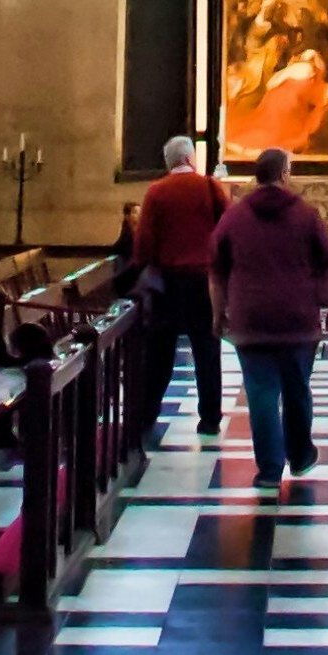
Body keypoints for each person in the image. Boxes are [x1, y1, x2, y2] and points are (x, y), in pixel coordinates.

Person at [210, 143, 328, 486]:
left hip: (250, 318)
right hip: (298, 319)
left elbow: (217, 270)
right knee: (298, 389)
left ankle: (269, 469)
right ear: (284, 174)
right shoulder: (306, 215)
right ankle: (299, 456)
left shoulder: (234, 216)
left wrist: (217, 313)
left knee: (261, 393)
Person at [128, 131, 229, 434]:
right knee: (207, 350)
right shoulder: (210, 188)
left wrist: (139, 269)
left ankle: (147, 414)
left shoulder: (157, 192)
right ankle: (210, 417)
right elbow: (227, 231)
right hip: (203, 281)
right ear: (189, 158)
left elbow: (144, 243)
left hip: (168, 284)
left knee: (159, 351)